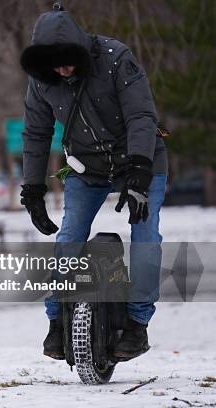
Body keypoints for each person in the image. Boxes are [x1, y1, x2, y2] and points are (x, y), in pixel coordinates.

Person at [19, 4, 167, 361]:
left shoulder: (117, 59)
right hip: (86, 167)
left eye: (68, 61)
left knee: (145, 236)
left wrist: (139, 170)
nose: (62, 69)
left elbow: (141, 117)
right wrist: (33, 189)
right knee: (69, 236)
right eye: (54, 64)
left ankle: (138, 322)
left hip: (139, 161)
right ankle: (56, 321)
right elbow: (36, 135)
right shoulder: (42, 82)